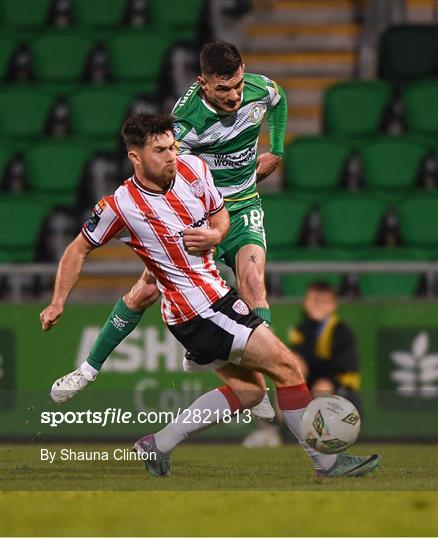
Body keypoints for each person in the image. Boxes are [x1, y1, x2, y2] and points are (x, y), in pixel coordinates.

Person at [40, 113, 381, 478]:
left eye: (172, 146)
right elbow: (77, 250)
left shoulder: (194, 169)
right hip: (200, 310)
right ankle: (325, 463)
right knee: (288, 367)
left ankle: (158, 444)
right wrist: (59, 300)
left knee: (250, 393)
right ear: (135, 157)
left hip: (213, 300)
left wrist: (216, 236)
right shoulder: (120, 206)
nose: (171, 155)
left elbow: (221, 218)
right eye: (160, 150)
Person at [42, 41, 288, 420]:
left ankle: (260, 382)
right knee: (144, 291)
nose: (235, 96)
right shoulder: (184, 124)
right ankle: (88, 370)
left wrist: (277, 148)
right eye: (223, 89)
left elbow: (279, 99)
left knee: (254, 281)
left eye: (238, 85)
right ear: (202, 83)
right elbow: (172, 179)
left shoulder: (260, 88)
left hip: (241, 208)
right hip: (199, 213)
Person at [288, 282, 361, 410]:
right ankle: (278, 427)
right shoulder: (302, 330)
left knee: (323, 388)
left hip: (341, 388)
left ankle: (322, 427)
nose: (317, 306)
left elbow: (346, 370)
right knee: (288, 384)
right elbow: (299, 361)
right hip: (311, 382)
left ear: (333, 305)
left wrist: (328, 381)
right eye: (313, 300)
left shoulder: (341, 331)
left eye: (323, 301)